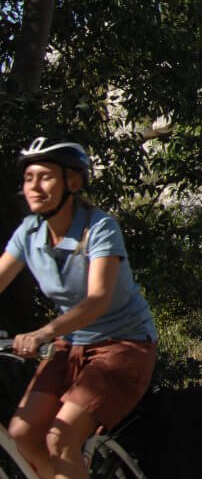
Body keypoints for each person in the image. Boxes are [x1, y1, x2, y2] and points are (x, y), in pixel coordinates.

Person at [0, 138, 157, 479]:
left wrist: (43, 333)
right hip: (71, 344)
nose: (34, 187)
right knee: (22, 433)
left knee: (60, 438)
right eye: (28, 178)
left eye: (45, 177)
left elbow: (98, 299)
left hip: (124, 345)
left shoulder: (99, 227)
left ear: (72, 182)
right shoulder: (29, 233)